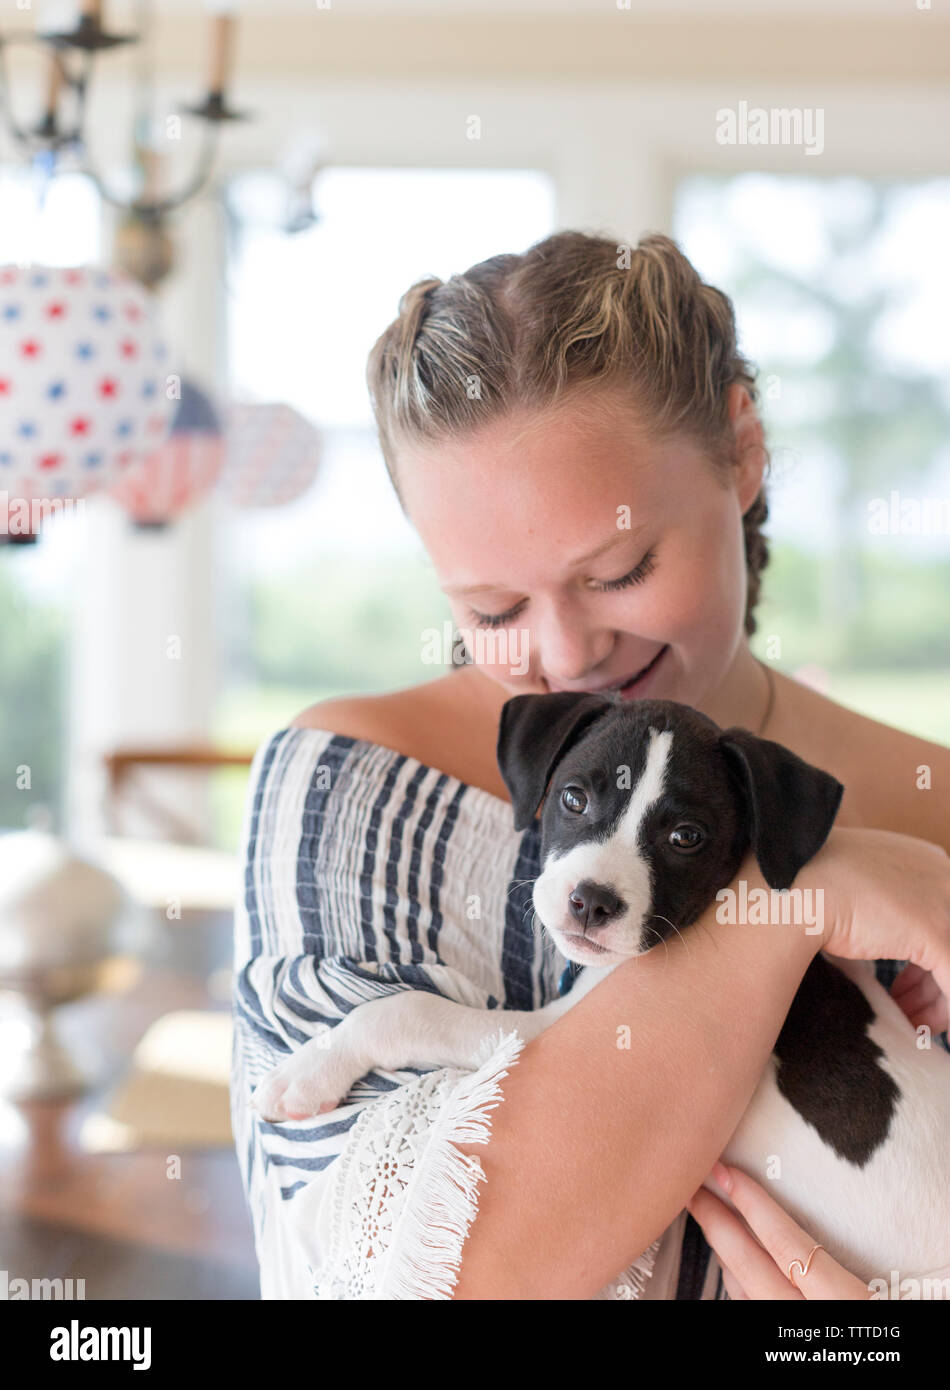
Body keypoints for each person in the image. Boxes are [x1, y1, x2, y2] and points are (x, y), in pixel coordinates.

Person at [230, 230, 950, 1300]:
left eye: (617, 571)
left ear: (742, 454)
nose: (564, 656)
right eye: (492, 608)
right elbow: (404, 1279)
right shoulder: (348, 785)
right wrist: (806, 895)